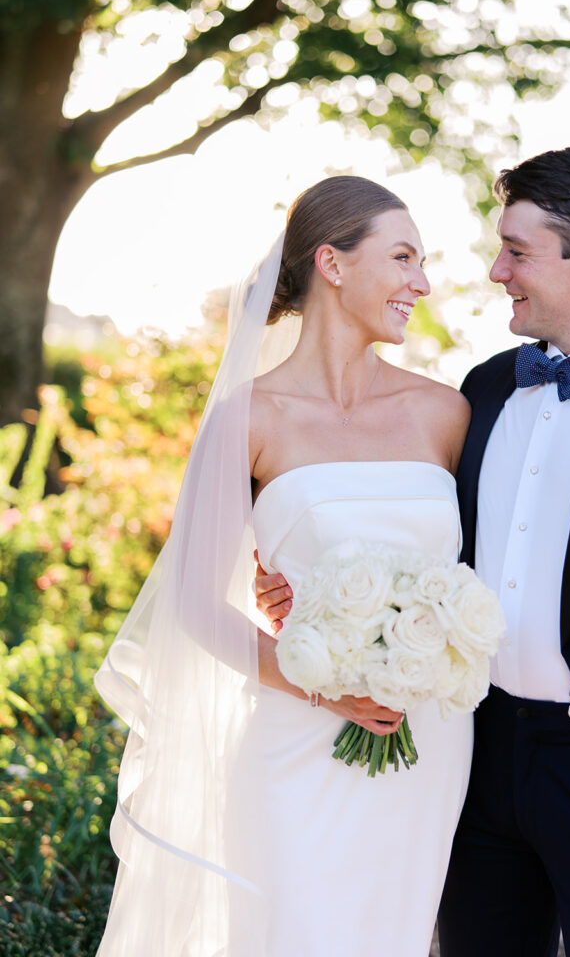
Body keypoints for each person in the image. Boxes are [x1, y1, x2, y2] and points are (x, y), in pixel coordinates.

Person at [257, 146, 570, 957]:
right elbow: (422, 547)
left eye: (517, 251)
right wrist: (309, 594)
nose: (496, 271)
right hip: (470, 760)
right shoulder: (486, 389)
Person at [94, 175, 474, 957]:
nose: (421, 283)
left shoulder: (446, 415)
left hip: (426, 739)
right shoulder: (249, 418)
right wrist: (324, 683)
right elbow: (196, 605)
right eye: (403, 257)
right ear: (332, 264)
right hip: (294, 731)